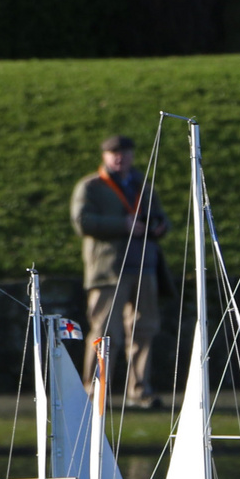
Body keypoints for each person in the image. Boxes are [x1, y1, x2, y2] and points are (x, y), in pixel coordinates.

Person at [70, 134, 172, 408]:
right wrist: (122, 225)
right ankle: (92, 391)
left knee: (144, 331)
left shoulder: (142, 185)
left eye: (124, 153)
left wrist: (159, 226)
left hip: (144, 267)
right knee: (104, 331)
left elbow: (161, 216)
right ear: (104, 156)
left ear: (131, 156)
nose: (119, 157)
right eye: (113, 153)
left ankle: (140, 391)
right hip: (108, 271)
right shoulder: (90, 187)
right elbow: (83, 222)